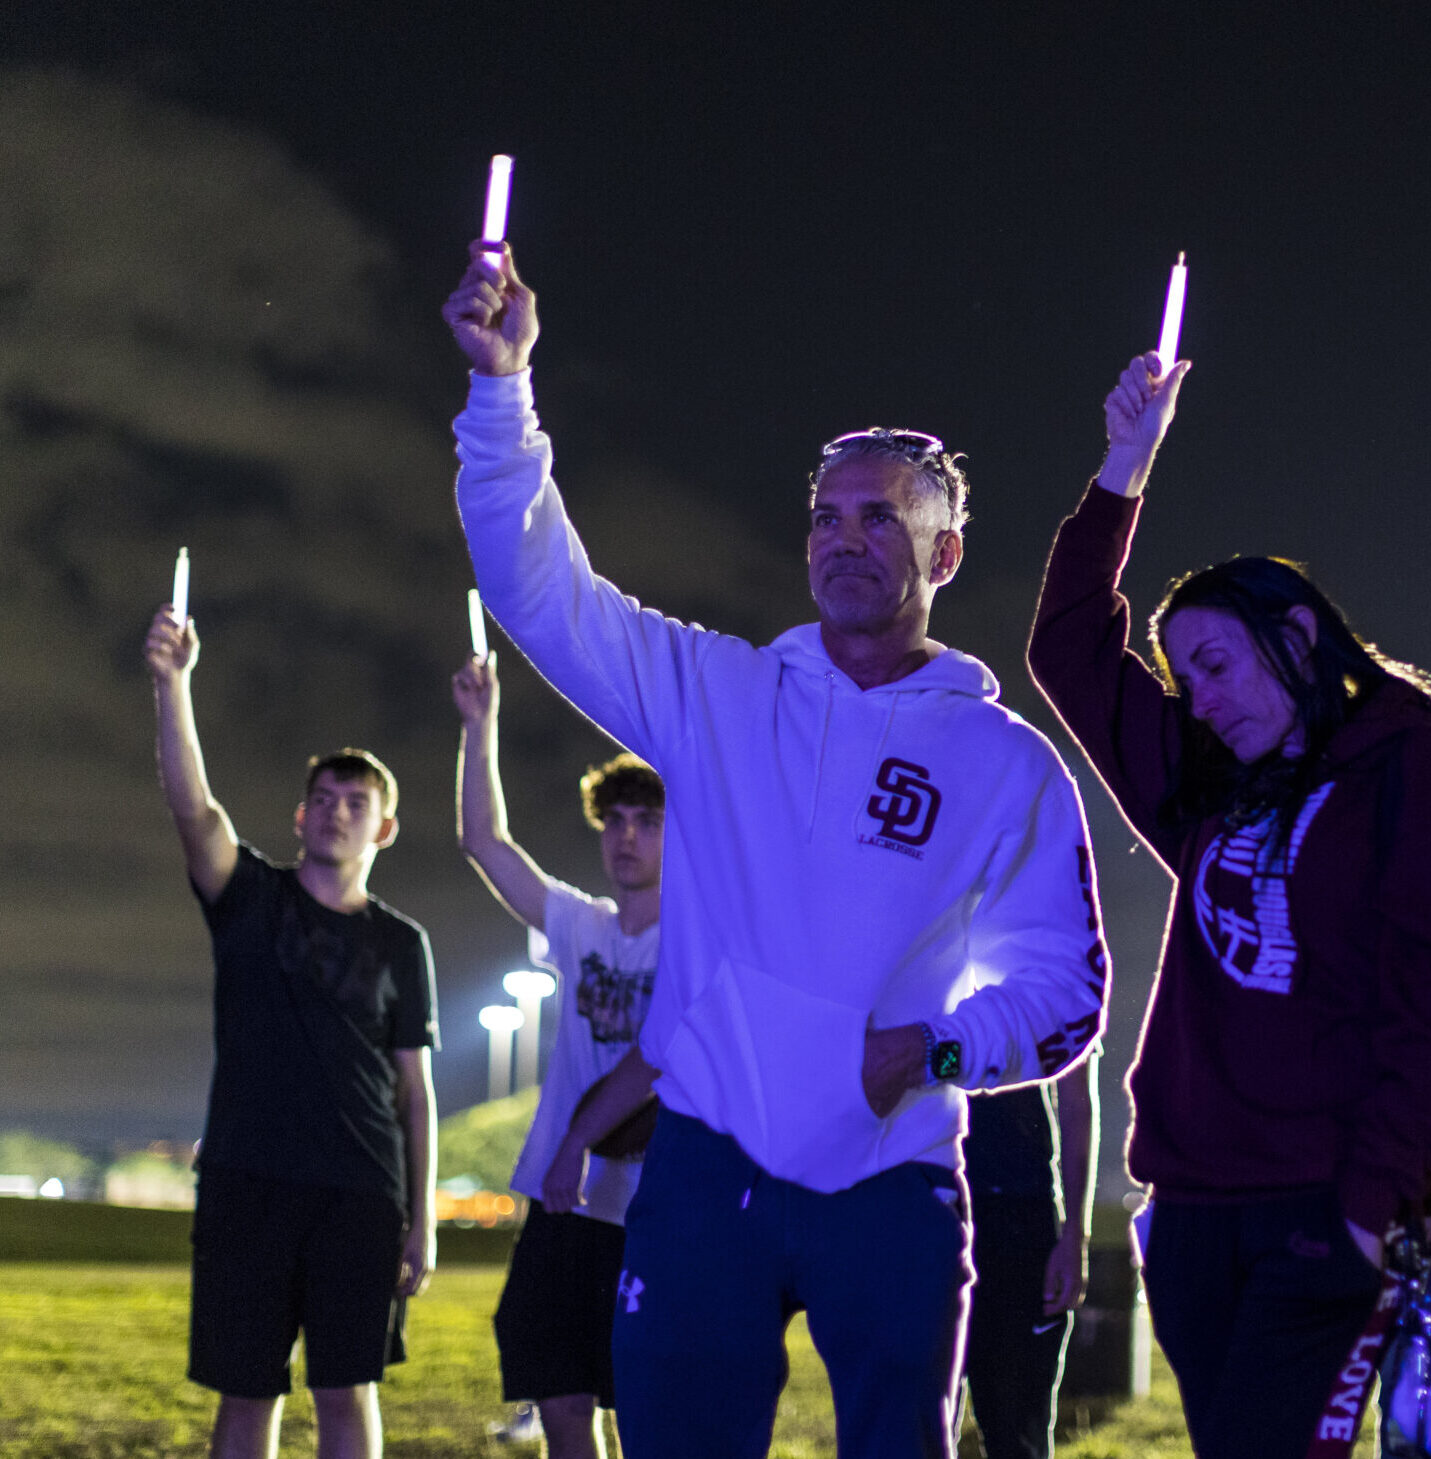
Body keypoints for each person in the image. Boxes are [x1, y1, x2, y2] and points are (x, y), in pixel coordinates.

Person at [442, 244, 1109, 1459]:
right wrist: (503, 393)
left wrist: (931, 1046)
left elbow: (1070, 996)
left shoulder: (1005, 765)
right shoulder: (719, 695)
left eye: (881, 519)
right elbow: (538, 589)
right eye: (825, 517)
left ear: (945, 554)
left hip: (893, 1180)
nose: (844, 540)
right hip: (705, 1168)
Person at [1027, 352, 1431, 1458]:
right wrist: (1123, 467)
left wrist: (1362, 1203)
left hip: (1320, 1204)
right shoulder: (1209, 787)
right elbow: (1068, 651)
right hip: (1197, 1205)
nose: (1196, 698)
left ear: (1297, 639)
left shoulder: (1417, 772)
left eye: (1213, 663)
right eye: (1181, 676)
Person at [145, 605, 439, 1459]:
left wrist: (420, 1220)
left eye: (356, 802)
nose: (337, 813)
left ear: (383, 827)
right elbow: (191, 804)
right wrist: (173, 683)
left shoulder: (401, 941)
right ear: (299, 817)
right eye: (322, 799)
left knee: (347, 1390)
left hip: (360, 1195)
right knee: (248, 1392)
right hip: (247, 1183)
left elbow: (414, 1092)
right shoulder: (251, 900)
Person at [452, 652, 665, 1459]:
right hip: (564, 1202)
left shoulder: (697, 939)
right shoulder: (583, 925)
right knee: (564, 1397)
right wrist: (480, 724)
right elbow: (484, 840)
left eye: (647, 820)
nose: (626, 836)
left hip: (651, 1206)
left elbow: (655, 1057)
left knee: (645, 1399)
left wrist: (581, 1136)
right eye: (614, 820)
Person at [957, 1057, 1098, 1459]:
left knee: (1017, 1430)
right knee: (918, 1426)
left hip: (1020, 1215)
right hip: (928, 1201)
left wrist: (1074, 1235)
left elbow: (1076, 1103)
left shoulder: (1056, 990)